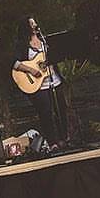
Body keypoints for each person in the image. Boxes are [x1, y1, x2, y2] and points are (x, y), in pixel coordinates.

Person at [12, 16, 69, 149]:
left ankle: (64, 138)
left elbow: (54, 56)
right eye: (32, 23)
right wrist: (31, 70)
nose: (35, 25)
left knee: (61, 109)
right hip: (38, 85)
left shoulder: (45, 41)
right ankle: (52, 142)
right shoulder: (22, 44)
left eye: (35, 22)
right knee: (46, 113)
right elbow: (14, 63)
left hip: (54, 80)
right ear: (26, 27)